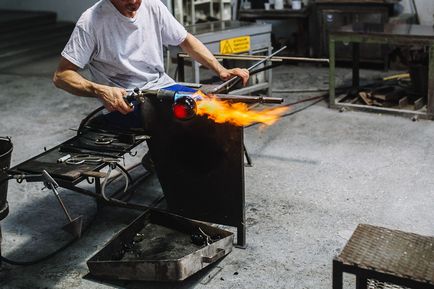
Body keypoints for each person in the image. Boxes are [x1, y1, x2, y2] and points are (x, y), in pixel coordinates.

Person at [53, 0, 249, 122]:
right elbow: (61, 76)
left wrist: (220, 70)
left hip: (163, 88)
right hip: (128, 101)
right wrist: (99, 90)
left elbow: (185, 40)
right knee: (191, 115)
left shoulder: (152, 5)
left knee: (213, 106)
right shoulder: (91, 21)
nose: (134, 2)